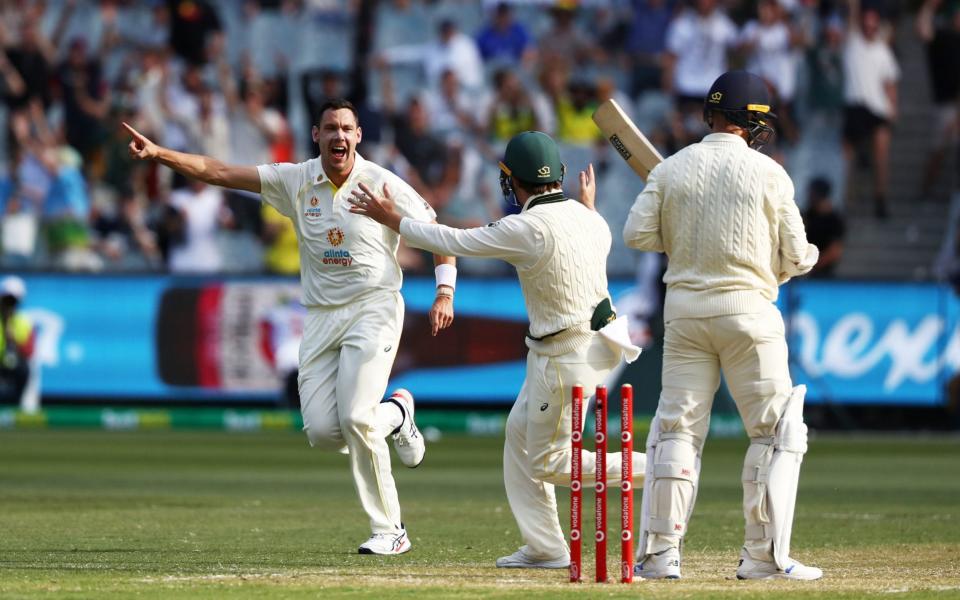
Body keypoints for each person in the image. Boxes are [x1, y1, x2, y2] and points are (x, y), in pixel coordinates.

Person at [122, 98, 456, 555]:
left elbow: (437, 231)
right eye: (330, 128)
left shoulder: (382, 183)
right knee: (323, 431)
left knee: (357, 416)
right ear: (316, 135)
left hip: (373, 306)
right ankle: (398, 413)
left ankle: (391, 531)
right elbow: (218, 172)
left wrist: (444, 292)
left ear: (359, 135)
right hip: (320, 316)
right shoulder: (296, 180)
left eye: (347, 128)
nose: (339, 136)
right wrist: (160, 154)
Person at [348, 130, 646, 569]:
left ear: (513, 181)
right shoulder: (591, 219)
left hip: (568, 357)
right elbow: (576, 235)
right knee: (519, 438)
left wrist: (394, 219)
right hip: (581, 348)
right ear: (558, 175)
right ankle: (546, 548)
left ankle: (662, 467)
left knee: (548, 460)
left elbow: (449, 242)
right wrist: (587, 205)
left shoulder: (524, 228)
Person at [623, 70, 822, 581]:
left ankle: (661, 555)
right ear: (749, 122)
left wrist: (685, 226)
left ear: (708, 116)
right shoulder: (771, 173)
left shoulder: (671, 170)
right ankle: (762, 556)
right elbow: (797, 255)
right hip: (750, 316)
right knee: (775, 433)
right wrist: (801, 259)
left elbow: (637, 235)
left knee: (676, 431)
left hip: (686, 315)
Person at [0, 275, 35, 406]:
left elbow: (29, 352)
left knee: (24, 368)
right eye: (6, 300)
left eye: (12, 301)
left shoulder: (23, 322)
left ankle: (18, 404)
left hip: (14, 367)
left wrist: (12, 339)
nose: (9, 305)